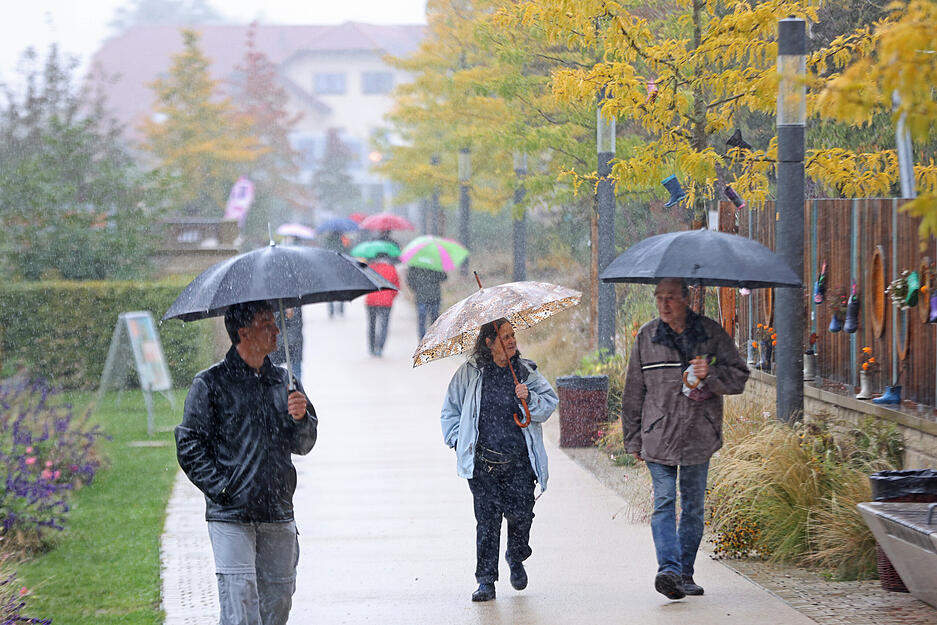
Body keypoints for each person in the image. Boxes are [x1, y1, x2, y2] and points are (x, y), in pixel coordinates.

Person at [174, 301, 318, 625]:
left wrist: (300, 418)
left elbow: (305, 444)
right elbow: (189, 444)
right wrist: (224, 489)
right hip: (231, 516)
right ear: (244, 332)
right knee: (239, 609)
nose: (277, 329)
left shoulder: (285, 381)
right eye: (267, 323)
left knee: (277, 605)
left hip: (278, 512)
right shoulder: (210, 384)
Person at [620, 278, 749, 600]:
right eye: (659, 297)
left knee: (692, 507)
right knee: (664, 502)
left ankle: (684, 574)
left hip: (698, 435)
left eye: (671, 298)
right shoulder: (646, 337)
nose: (664, 304)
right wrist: (633, 438)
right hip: (657, 435)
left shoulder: (710, 333)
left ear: (686, 299)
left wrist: (710, 375)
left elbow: (739, 378)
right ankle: (669, 570)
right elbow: (634, 391)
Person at [440, 319, 558, 602]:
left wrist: (528, 397)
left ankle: (516, 557)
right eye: (504, 336)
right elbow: (450, 411)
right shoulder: (471, 373)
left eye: (513, 335)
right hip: (483, 464)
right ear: (489, 342)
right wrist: (458, 442)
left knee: (521, 516)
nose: (511, 341)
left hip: (519, 462)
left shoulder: (525, 371)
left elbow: (549, 404)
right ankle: (485, 581)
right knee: (487, 522)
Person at [364, 253, 400, 356]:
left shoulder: (369, 268)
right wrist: (390, 296)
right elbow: (396, 287)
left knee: (372, 324)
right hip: (386, 301)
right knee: (384, 325)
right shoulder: (391, 269)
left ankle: (371, 347)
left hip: (371, 300)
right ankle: (380, 347)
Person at [405, 265, 447, 339]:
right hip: (434, 296)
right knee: (435, 322)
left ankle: (422, 342)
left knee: (422, 322)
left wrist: (416, 289)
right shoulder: (435, 262)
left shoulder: (416, 264)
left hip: (421, 297)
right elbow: (444, 277)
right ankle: (433, 340)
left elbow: (409, 280)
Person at [270, 306, 303, 382]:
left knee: (296, 371)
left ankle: (295, 388)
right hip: (279, 341)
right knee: (274, 373)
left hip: (292, 339)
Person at [322, 231, 347, 318]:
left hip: (329, 269)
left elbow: (324, 254)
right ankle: (341, 309)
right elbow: (345, 253)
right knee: (342, 289)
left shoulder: (328, 241)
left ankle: (331, 311)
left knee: (330, 290)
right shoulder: (342, 240)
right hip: (340, 269)